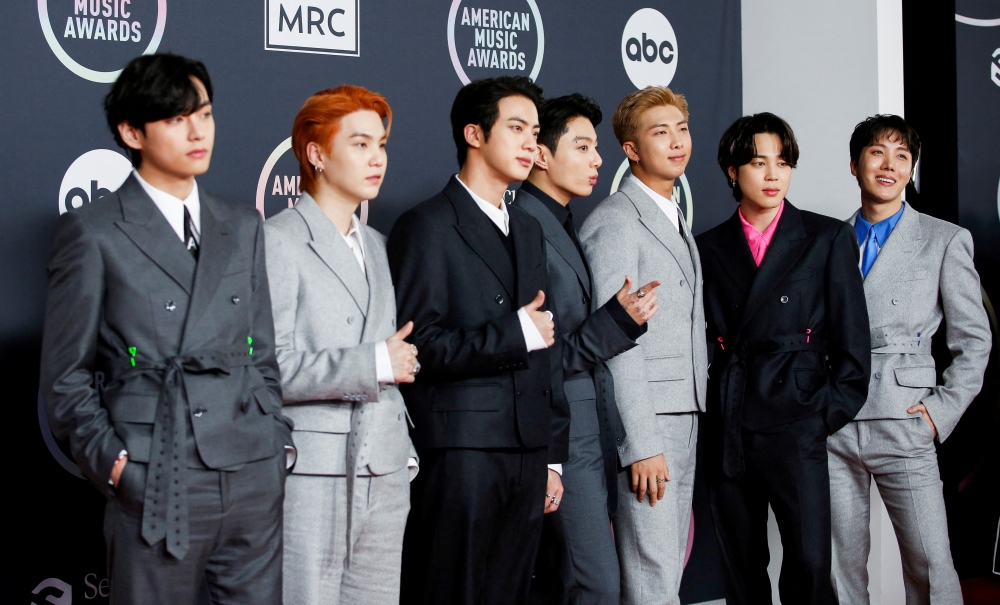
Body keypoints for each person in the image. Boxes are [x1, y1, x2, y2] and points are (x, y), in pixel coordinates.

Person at [39, 53, 294, 604]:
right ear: (132, 132)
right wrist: (117, 467)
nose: (198, 131)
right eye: (177, 118)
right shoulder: (93, 231)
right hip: (157, 475)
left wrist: (277, 443)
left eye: (204, 114)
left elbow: (262, 351)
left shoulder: (242, 224)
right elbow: (65, 378)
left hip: (252, 468)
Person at [388, 76, 565, 605]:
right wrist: (513, 334)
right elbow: (419, 348)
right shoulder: (426, 226)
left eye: (535, 131)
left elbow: (547, 348)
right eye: (517, 128)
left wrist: (552, 455)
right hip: (460, 451)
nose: (531, 143)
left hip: (528, 449)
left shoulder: (529, 228)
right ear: (474, 134)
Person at [696, 113, 870, 605]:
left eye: (783, 162)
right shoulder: (707, 246)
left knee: (810, 564)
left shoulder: (825, 237)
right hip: (732, 421)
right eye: (758, 163)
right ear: (733, 171)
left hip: (798, 419)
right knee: (742, 566)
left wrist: (818, 416)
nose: (773, 175)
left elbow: (853, 344)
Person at [263, 85, 420, 605]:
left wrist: (404, 457)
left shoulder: (379, 246)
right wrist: (373, 362)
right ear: (316, 154)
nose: (377, 158)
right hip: (313, 471)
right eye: (360, 144)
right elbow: (268, 367)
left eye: (381, 145)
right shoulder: (278, 239)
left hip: (386, 467)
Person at [828, 115, 992, 605]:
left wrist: (938, 413)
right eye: (877, 153)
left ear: (911, 169)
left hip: (904, 418)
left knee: (929, 563)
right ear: (854, 164)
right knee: (839, 569)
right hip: (834, 423)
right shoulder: (827, 240)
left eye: (901, 156)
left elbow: (974, 341)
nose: (889, 165)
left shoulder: (944, 239)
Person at [515, 94, 659, 605]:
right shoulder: (524, 227)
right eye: (582, 147)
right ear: (541, 153)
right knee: (594, 584)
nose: (598, 159)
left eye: (596, 147)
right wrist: (616, 323)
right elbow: (530, 357)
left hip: (588, 429)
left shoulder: (559, 220)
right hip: (560, 435)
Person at [578, 86, 708, 605]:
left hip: (684, 412)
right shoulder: (615, 221)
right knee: (651, 572)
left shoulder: (670, 212)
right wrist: (641, 442)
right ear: (630, 149)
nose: (677, 142)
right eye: (661, 132)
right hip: (650, 421)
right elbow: (616, 340)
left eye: (682, 129)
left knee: (665, 568)